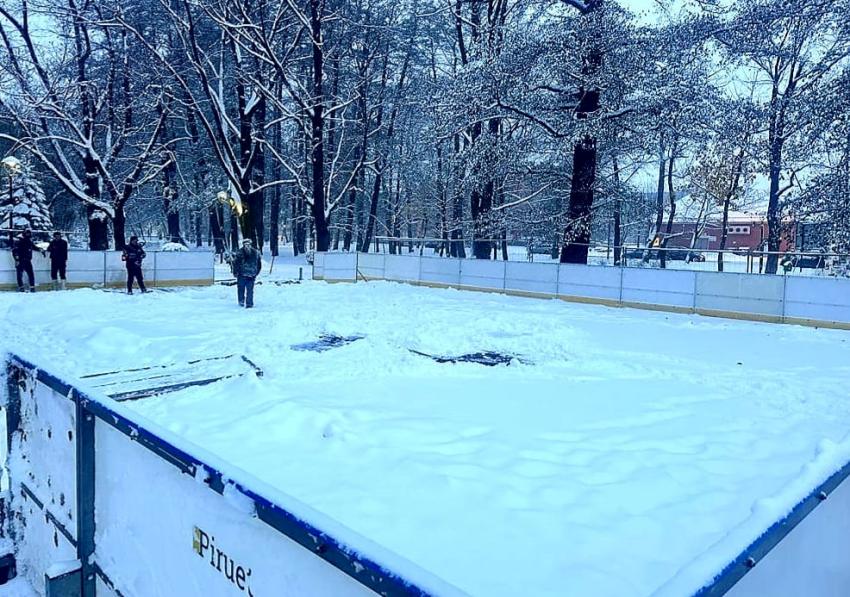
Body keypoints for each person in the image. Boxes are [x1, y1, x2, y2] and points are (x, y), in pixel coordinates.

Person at [231, 238, 262, 308]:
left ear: (251, 245)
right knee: (241, 289)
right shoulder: (239, 253)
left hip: (252, 275)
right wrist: (235, 272)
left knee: (250, 290)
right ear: (243, 245)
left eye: (248, 244)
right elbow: (236, 264)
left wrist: (256, 272)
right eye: (245, 244)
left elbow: (259, 264)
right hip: (242, 274)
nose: (247, 246)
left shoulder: (256, 253)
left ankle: (249, 303)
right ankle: (241, 301)